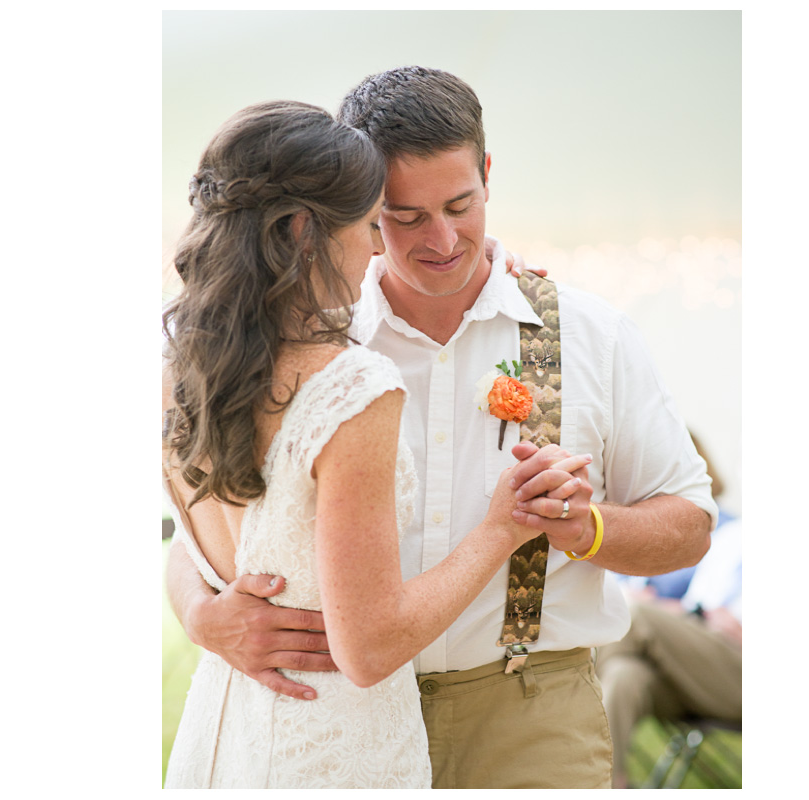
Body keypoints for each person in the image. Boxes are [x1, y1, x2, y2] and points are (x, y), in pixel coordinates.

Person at [166, 66, 718, 789]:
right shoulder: (305, 346)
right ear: (360, 206)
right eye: (404, 216)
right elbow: (220, 525)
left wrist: (585, 529)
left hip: (527, 713)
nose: (443, 238)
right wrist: (202, 615)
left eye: (461, 204)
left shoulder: (592, 335)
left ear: (488, 175)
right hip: (343, 719)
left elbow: (690, 524)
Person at [596, 434, 742, 788]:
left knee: (637, 616)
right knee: (622, 675)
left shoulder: (727, 530)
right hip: (703, 664)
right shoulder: (734, 540)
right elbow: (699, 606)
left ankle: (555, 733)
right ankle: (604, 783)